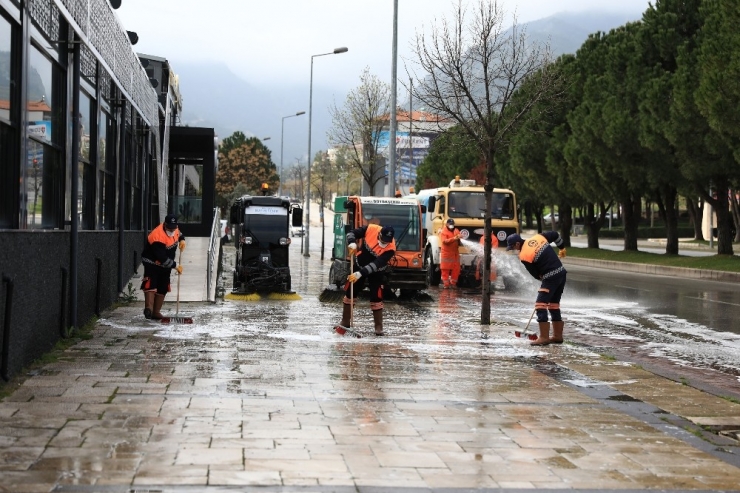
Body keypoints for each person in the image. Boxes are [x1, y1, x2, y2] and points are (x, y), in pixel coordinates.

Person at [506, 231, 567, 345]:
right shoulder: (538, 238)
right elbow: (554, 234)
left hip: (550, 277)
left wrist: (543, 279)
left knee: (540, 304)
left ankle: (544, 337)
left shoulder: (524, 255)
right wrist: (561, 247)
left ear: (518, 244)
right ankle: (557, 336)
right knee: (553, 305)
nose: (514, 249)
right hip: (561, 273)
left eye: (513, 247)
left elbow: (535, 274)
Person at [337, 224, 396, 335]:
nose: (383, 244)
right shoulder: (371, 229)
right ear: (379, 234)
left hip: (377, 272)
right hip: (359, 264)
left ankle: (378, 327)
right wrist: (352, 243)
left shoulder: (391, 249)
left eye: (386, 242)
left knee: (376, 296)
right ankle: (345, 322)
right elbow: (351, 232)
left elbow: (376, 264)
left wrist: (360, 274)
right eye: (382, 241)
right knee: (351, 291)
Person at [141, 214, 186, 319]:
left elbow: (179, 233)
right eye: (169, 228)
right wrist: (175, 265)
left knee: (163, 286)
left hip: (165, 265)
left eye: (173, 228)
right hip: (152, 262)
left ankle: (156, 312)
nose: (172, 230)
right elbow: (161, 258)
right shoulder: (157, 236)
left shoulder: (174, 228)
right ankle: (149, 309)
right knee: (151, 284)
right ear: (165, 225)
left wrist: (182, 239)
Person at [439, 218, 461, 288]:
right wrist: (455, 238)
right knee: (445, 269)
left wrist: (460, 238)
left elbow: (459, 238)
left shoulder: (456, 230)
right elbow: (445, 241)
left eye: (452, 224)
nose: (451, 225)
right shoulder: (443, 232)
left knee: (456, 269)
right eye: (450, 224)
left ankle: (453, 284)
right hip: (446, 254)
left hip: (455, 253)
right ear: (447, 224)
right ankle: (446, 285)